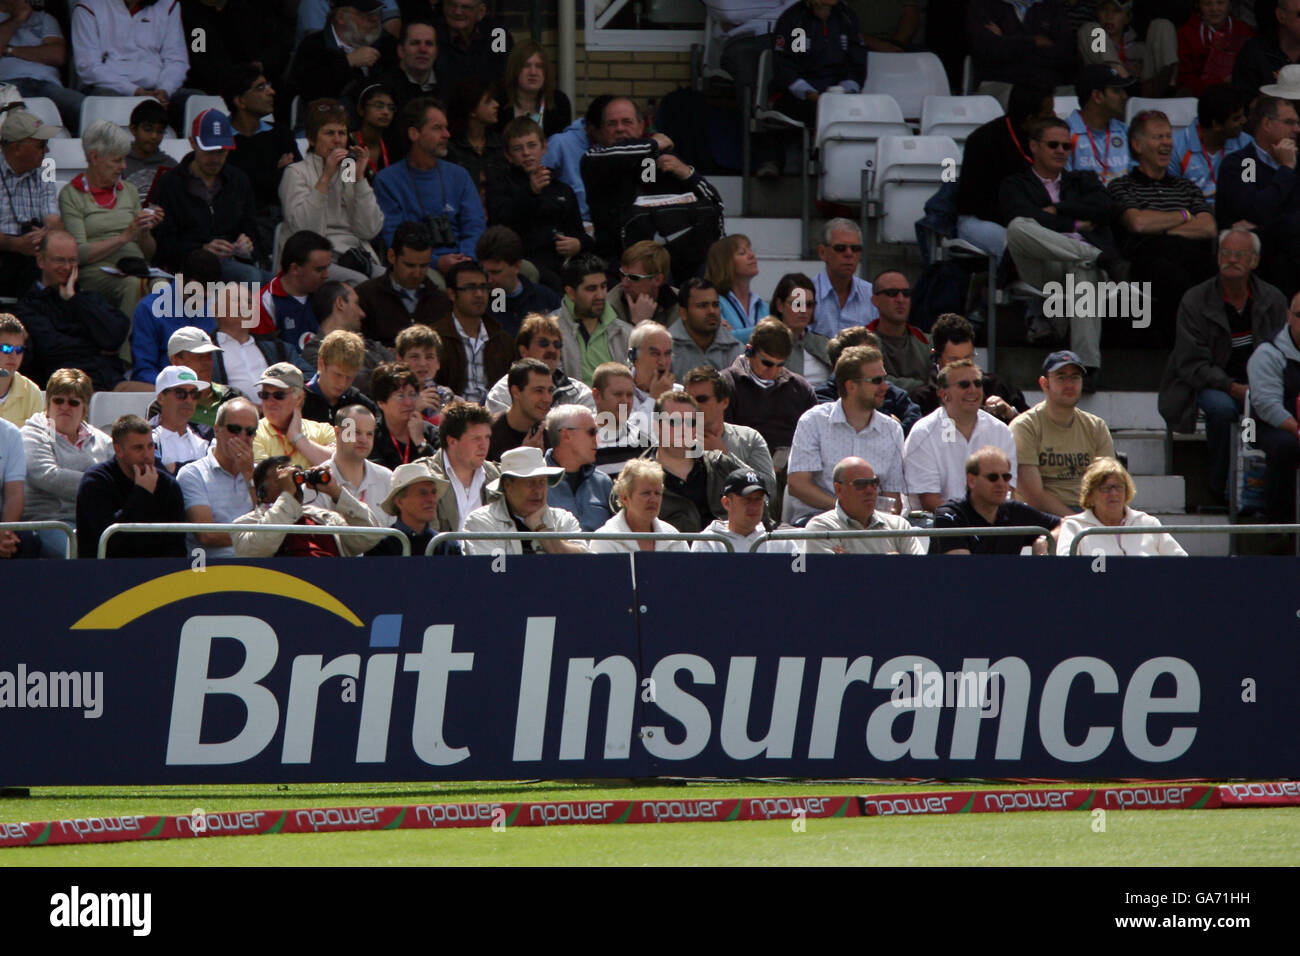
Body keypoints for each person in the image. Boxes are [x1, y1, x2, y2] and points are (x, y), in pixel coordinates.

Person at [1159, 228, 1286, 501]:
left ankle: (1265, 493)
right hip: (1208, 383)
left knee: (1274, 412)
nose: (1231, 259)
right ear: (1217, 259)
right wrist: (1232, 387)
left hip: (1260, 383)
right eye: (1225, 253)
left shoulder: (1272, 299)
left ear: (1254, 260)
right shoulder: (1195, 300)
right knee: (1220, 409)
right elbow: (1192, 362)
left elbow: (1282, 351)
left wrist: (1260, 388)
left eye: (1239, 254)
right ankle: (1220, 488)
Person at [1000, 116, 1116, 376]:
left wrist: (1059, 210)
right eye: (1053, 145)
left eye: (1066, 146)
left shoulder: (1082, 179)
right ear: (1034, 146)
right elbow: (1019, 215)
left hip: (1080, 267)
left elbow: (1107, 209)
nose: (1061, 151)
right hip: (1042, 264)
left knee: (1082, 271)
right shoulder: (1015, 184)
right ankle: (1095, 256)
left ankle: (1086, 368)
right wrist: (1076, 224)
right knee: (1018, 226)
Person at [579, 96, 724, 282]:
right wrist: (653, 144)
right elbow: (622, 152)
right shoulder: (596, 159)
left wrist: (688, 174)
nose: (620, 128)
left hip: (668, 254)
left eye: (627, 122)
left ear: (641, 126)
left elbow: (715, 201)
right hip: (618, 260)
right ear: (600, 132)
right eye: (612, 124)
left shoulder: (650, 161)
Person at [1109, 109, 1219, 340]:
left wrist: (1161, 228)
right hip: (1147, 262)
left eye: (1168, 136)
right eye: (1158, 137)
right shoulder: (1121, 186)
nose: (1167, 143)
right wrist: (1185, 215)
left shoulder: (1186, 186)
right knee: (1175, 277)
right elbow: (1137, 223)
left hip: (1190, 256)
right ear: (1138, 146)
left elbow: (1208, 227)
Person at [787, 345, 905, 522]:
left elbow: (892, 498)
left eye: (884, 378)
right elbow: (798, 485)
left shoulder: (892, 430)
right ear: (851, 386)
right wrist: (845, 510)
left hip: (871, 524)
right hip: (819, 520)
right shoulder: (813, 421)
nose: (885, 387)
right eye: (876, 380)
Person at [58, 120, 162, 319]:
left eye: (124, 160)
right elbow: (78, 253)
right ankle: (127, 349)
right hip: (96, 270)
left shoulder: (129, 190)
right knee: (133, 286)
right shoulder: (71, 195)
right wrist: (124, 237)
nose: (123, 167)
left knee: (165, 288)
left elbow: (148, 254)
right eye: (117, 160)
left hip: (136, 266)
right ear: (95, 157)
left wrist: (145, 230)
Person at [15, 230, 141, 392]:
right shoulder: (28, 307)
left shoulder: (86, 298)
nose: (67, 267)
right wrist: (95, 346)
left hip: (112, 383)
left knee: (161, 396)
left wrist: (75, 300)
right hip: (68, 390)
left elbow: (116, 335)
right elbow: (53, 350)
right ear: (41, 260)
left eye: (72, 260)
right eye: (59, 260)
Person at [279, 99, 386, 283]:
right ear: (312, 139)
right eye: (329, 133)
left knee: (390, 281)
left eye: (342, 133)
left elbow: (369, 230)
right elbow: (306, 233)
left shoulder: (348, 171)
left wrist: (360, 179)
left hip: (354, 255)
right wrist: (325, 177)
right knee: (360, 283)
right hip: (314, 259)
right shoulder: (296, 172)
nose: (337, 140)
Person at [152, 109, 263, 284]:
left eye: (222, 151)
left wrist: (248, 243)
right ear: (192, 143)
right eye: (209, 150)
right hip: (190, 267)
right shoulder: (170, 183)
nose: (215, 158)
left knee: (281, 286)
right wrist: (201, 249)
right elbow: (163, 243)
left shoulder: (239, 179)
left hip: (234, 261)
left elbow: (251, 227)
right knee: (251, 278)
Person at [373, 97, 486, 266]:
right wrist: (436, 262)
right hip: (419, 267)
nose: (447, 135)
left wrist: (466, 259)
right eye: (437, 128)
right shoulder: (387, 180)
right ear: (414, 134)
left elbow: (475, 225)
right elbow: (394, 239)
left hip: (466, 260)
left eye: (446, 128)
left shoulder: (459, 175)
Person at [485, 118, 590, 292]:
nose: (526, 153)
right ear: (508, 156)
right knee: (553, 285)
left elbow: (580, 233)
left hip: (562, 261)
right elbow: (501, 225)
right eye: (518, 149)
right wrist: (530, 193)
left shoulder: (562, 189)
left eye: (532, 145)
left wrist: (578, 244)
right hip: (524, 261)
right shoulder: (499, 186)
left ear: (544, 148)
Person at [955, 81, 1055, 260]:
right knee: (1023, 246)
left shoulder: (1050, 140)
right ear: (1030, 120)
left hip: (1032, 219)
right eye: (1047, 114)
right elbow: (977, 203)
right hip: (983, 220)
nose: (1054, 116)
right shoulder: (983, 141)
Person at [904, 357, 1019, 512]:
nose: (973, 390)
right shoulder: (924, 433)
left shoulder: (1000, 431)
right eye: (964, 385)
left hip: (990, 523)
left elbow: (1007, 490)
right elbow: (929, 501)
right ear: (944, 394)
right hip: (938, 526)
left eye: (977, 384)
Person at [19, 368, 113, 557]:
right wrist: (98, 485)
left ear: (85, 407)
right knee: (76, 555)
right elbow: (46, 475)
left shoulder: (102, 440)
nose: (64, 406)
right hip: (49, 523)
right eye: (58, 400)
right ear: (48, 402)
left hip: (93, 523)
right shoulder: (33, 433)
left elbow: (116, 476)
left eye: (73, 402)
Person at [1012, 350, 1116, 515]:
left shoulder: (1096, 427)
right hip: (1041, 516)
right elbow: (1033, 495)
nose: (1069, 384)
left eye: (1075, 377)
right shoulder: (1025, 426)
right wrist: (1077, 523)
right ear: (1044, 383)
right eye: (1061, 377)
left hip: (1089, 513)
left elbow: (1109, 482)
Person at [1217, 95, 1300, 299]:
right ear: (1267, 124)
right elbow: (1254, 210)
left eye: (1298, 123)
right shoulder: (1246, 163)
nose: (1297, 129)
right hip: (1262, 251)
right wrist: (1286, 169)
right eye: (1289, 122)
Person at [75, 414, 187, 559]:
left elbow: (177, 546)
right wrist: (142, 493)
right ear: (118, 449)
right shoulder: (96, 481)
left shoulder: (168, 485)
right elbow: (110, 541)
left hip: (158, 574)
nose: (147, 455)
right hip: (104, 572)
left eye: (150, 446)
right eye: (138, 448)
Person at [71, 0, 194, 129]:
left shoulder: (168, 4)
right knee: (111, 102)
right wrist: (135, 91)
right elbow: (88, 66)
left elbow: (177, 60)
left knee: (196, 100)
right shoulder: (88, 6)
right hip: (109, 89)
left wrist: (164, 90)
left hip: (158, 90)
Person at [641, 391, 751, 533]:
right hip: (669, 552)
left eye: (691, 422)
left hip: (724, 551)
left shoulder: (721, 465)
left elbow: (759, 504)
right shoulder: (638, 478)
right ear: (657, 425)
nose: (683, 428)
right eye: (674, 422)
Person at [233, 453, 384, 557]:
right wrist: (287, 496)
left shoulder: (325, 519)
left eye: (294, 469)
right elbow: (255, 550)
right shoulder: (245, 524)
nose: (292, 473)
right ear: (262, 492)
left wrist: (336, 492)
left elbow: (370, 536)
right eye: (281, 470)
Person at [930, 445, 1061, 554]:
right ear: (971, 480)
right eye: (993, 477)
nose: (1001, 483)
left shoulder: (1015, 511)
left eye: (1006, 477)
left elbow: (1066, 525)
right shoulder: (950, 516)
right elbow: (963, 570)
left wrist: (1044, 539)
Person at [716, 318, 817, 460]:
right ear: (749, 351)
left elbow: (813, 441)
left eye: (780, 364)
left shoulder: (801, 389)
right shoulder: (725, 384)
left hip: (791, 471)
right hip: (740, 469)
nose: (773, 371)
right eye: (767, 363)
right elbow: (718, 440)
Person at [462, 445, 585, 555]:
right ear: (508, 485)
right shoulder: (481, 522)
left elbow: (585, 564)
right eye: (530, 483)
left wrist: (540, 528)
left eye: (542, 482)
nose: (537, 490)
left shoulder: (563, 519)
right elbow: (491, 573)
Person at [176, 396, 259, 559]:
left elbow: (273, 525)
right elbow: (207, 535)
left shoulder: (258, 474)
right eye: (234, 429)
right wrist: (257, 537)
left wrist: (250, 476)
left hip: (261, 571)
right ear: (217, 430)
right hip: (209, 572)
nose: (242, 437)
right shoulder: (193, 474)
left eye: (250, 431)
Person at [283, 0, 397, 116]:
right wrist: (348, 62)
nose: (375, 19)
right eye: (366, 15)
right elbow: (311, 92)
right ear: (341, 17)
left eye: (378, 13)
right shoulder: (314, 46)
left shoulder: (386, 44)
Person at [1055, 456, 1187, 554]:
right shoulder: (1074, 527)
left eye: (1118, 487)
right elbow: (1067, 571)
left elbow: (1181, 562)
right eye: (1105, 488)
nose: (1113, 493)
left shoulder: (1148, 524)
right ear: (1090, 494)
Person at [1245, 288, 1300, 520]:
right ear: (1289, 316)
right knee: (1287, 447)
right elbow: (1267, 404)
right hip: (1269, 428)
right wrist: (1297, 429)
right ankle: (1278, 528)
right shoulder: (1268, 353)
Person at [770, 0, 868, 127]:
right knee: (822, 111)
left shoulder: (845, 16)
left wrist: (847, 91)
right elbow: (787, 66)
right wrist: (809, 93)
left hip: (839, 92)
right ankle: (816, 147)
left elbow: (856, 61)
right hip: (801, 95)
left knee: (862, 109)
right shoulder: (797, 19)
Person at [130, 250, 221, 385]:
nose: (198, 304)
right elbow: (144, 369)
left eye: (205, 299)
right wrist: (179, 387)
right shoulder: (149, 309)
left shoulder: (216, 308)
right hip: (168, 389)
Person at [915, 312, 1027, 420]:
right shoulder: (923, 400)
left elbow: (1033, 432)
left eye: (967, 358)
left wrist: (1010, 413)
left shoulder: (997, 388)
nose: (962, 367)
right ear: (936, 357)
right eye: (954, 361)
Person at [222, 62, 302, 214]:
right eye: (261, 88)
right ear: (240, 101)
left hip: (285, 214)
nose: (271, 91)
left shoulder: (281, 133)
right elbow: (236, 191)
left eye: (268, 85)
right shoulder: (221, 140)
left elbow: (298, 178)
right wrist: (278, 173)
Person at [804, 456, 926, 554]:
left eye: (874, 483)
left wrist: (851, 563)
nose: (870, 490)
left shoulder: (899, 526)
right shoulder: (822, 528)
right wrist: (889, 564)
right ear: (839, 489)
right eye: (861, 484)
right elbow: (829, 577)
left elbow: (918, 571)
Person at [356, 220, 452, 346]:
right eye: (410, 265)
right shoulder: (365, 296)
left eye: (423, 266)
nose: (417, 274)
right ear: (391, 256)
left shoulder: (441, 301)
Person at [682, 367, 777, 492]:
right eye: (688, 400)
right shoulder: (675, 440)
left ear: (724, 402)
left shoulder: (749, 438)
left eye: (701, 399)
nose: (694, 406)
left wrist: (725, 457)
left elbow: (770, 489)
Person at [811, 328, 922, 432]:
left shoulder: (890, 392)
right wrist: (889, 420)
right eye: (867, 357)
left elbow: (915, 421)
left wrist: (894, 431)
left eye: (876, 355)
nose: (883, 387)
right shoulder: (821, 400)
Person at [432, 258, 513, 402]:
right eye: (470, 288)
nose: (479, 294)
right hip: (451, 416)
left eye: (483, 287)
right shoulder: (435, 339)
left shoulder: (502, 339)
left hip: (495, 416)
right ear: (451, 294)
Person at [0, 108, 61, 298]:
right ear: (17, 148)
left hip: (35, 249)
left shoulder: (46, 166)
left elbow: (52, 215)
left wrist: (48, 231)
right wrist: (15, 244)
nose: (47, 150)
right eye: (41, 145)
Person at [485, 312, 593, 414]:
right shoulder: (503, 392)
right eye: (543, 343)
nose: (552, 349)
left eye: (557, 344)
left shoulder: (580, 393)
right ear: (524, 351)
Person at [0, 0, 84, 129]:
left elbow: (57, 55)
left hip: (48, 85)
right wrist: (18, 18)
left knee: (85, 107)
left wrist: (8, 50)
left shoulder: (44, 18)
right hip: (8, 87)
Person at [301, 280, 395, 395]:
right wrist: (383, 372)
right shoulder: (314, 351)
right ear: (340, 303)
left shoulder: (371, 345)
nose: (362, 314)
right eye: (356, 303)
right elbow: (352, 383)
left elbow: (399, 371)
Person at [251, 230, 334, 358]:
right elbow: (267, 356)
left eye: (327, 268)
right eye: (319, 270)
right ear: (295, 268)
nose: (326, 275)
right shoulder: (265, 303)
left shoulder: (327, 294)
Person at [367, 19, 439, 162]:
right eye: (415, 43)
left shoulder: (448, 84)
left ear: (436, 52)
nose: (423, 50)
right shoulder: (381, 87)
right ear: (401, 51)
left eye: (429, 44)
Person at [553, 253, 629, 387]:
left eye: (603, 287)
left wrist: (621, 409)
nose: (600, 295)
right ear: (571, 293)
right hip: (571, 407)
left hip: (619, 408)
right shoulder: (550, 331)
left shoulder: (626, 333)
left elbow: (629, 394)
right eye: (591, 289)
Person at [1077, 0, 1179, 98]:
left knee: (1162, 24)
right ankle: (1124, 81)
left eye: (1116, 11)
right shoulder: (1091, 39)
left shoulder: (1140, 47)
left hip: (1146, 92)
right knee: (1092, 29)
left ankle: (1168, 89)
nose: (1109, 16)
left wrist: (1140, 69)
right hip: (1107, 93)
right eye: (1104, 10)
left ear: (1128, 17)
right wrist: (1123, 72)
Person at [1168, 83, 1250, 205]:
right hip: (1192, 217)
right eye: (1236, 118)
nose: (1244, 121)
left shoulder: (1247, 144)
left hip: (1234, 216)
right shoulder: (1175, 148)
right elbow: (1171, 197)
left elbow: (1249, 187)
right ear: (1216, 124)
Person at [424, 398, 498, 530]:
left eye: (487, 437)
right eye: (476, 438)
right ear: (452, 442)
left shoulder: (497, 476)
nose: (484, 445)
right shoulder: (424, 477)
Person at [967, 0, 1073, 91]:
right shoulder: (983, 5)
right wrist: (1034, 41)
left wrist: (1007, 41)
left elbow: (1063, 54)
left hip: (1047, 85)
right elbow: (989, 51)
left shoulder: (1053, 7)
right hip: (1001, 83)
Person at [589, 457, 690, 552]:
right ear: (625, 498)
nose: (653, 499)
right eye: (646, 493)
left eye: (657, 493)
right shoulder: (604, 540)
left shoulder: (674, 539)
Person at [475, 225, 560, 337]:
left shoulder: (545, 299)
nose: (489, 279)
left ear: (516, 266)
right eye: (485, 272)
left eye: (496, 272)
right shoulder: (480, 305)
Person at [691, 466, 796, 554]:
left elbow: (801, 574)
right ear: (727, 503)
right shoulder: (708, 543)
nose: (754, 507)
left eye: (758, 500)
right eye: (747, 500)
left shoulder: (782, 543)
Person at [211, 282, 287, 403]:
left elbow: (308, 377)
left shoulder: (278, 348)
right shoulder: (204, 351)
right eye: (236, 300)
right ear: (216, 309)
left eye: (250, 302)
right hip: (231, 417)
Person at [366, 461, 462, 555]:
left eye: (433, 492)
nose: (432, 499)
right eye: (423, 493)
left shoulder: (448, 547)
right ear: (400, 501)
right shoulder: (380, 548)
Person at [543, 403, 613, 532]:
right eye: (592, 432)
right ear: (566, 435)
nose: (598, 439)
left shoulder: (603, 482)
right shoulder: (536, 480)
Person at [251, 362, 337, 467]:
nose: (270, 401)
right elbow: (266, 479)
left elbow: (343, 468)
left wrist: (297, 437)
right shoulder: (252, 432)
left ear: (299, 398)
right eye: (265, 395)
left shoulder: (324, 430)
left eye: (279, 395)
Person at [1064, 64, 1135, 186]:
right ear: (1097, 96)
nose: (1124, 96)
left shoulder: (1126, 132)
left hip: (1124, 203)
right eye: (1116, 91)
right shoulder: (1065, 133)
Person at [323, 402, 392, 525]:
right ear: (338, 433)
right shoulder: (317, 481)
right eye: (356, 432)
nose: (364, 440)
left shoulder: (387, 479)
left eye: (369, 434)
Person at [866, 270, 931, 396]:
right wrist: (919, 386)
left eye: (906, 294)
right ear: (875, 301)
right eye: (892, 293)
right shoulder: (862, 341)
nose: (901, 299)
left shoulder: (927, 342)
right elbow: (869, 379)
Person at [494, 37, 572, 139]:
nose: (533, 72)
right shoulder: (499, 102)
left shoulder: (559, 102)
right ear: (515, 69)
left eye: (539, 66)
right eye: (526, 66)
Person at [445, 77, 506, 203]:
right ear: (472, 110)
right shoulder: (451, 148)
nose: (496, 105)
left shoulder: (499, 144)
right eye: (488, 101)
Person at [812, 219, 877, 336]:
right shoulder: (800, 294)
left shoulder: (872, 294)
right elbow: (796, 338)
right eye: (840, 248)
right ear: (822, 252)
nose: (849, 254)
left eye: (855, 249)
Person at [669, 278, 742, 381]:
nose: (711, 311)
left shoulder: (735, 349)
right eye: (702, 306)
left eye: (715, 305)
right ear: (683, 313)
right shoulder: (665, 348)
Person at [369, 361, 439, 469]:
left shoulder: (430, 432)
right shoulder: (371, 436)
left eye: (412, 394)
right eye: (400, 396)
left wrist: (421, 443)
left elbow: (443, 474)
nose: (409, 402)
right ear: (381, 403)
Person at [768, 273, 832, 390]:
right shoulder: (764, 345)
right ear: (780, 305)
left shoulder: (826, 344)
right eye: (797, 304)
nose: (803, 310)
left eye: (809, 305)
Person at [1177, 0, 1255, 96]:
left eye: (1220, 2)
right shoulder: (1186, 33)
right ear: (1198, 6)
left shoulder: (1245, 30)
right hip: (1201, 96)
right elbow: (1184, 78)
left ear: (1230, 5)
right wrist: (1220, 81)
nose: (1214, 9)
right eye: (1207, 3)